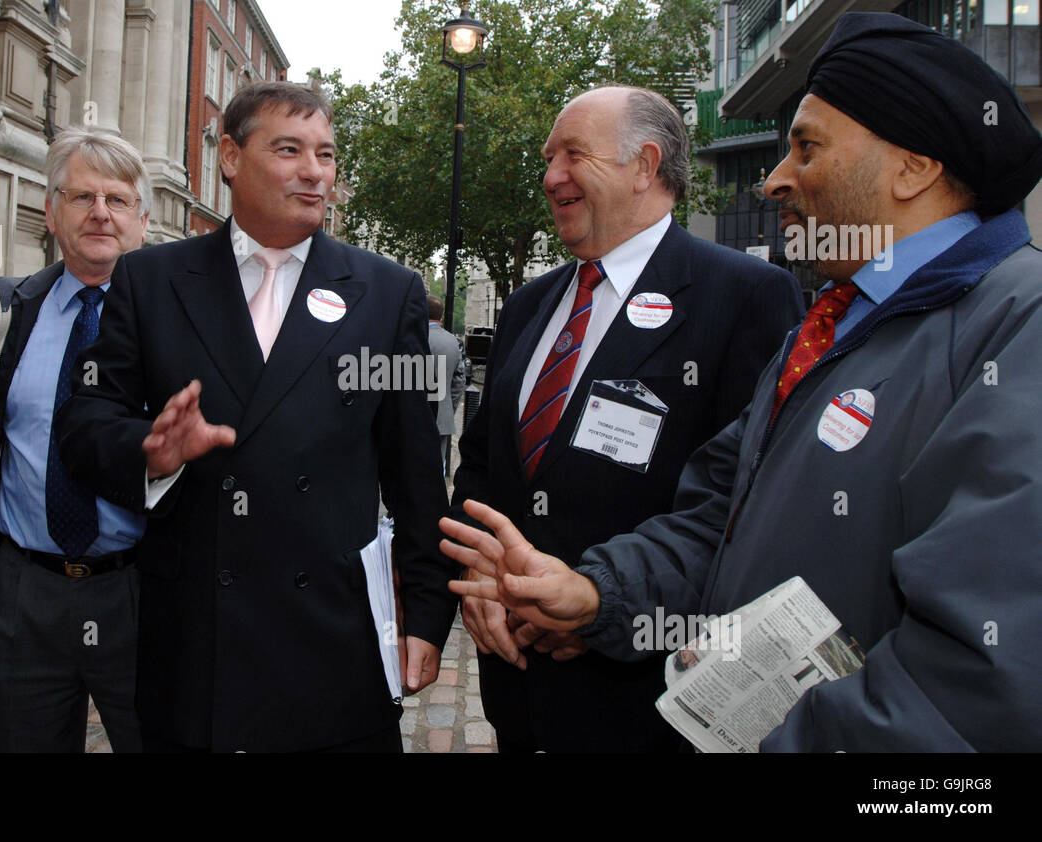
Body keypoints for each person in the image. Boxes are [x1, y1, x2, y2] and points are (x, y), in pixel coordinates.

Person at [444, 12, 1042, 751]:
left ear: (912, 168)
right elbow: (719, 513)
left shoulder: (1019, 327)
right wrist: (598, 595)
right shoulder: (832, 329)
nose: (776, 179)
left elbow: (975, 683)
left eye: (806, 147)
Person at [55, 81, 457, 752]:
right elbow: (83, 421)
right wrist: (151, 450)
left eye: (326, 155)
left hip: (333, 632)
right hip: (198, 637)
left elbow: (415, 473)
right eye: (290, 149)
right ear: (232, 157)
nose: (314, 171)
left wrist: (426, 613)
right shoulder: (150, 280)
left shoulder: (388, 292)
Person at [451, 85, 802, 753]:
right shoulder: (528, 306)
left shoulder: (747, 296)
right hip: (518, 691)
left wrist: (599, 606)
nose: (551, 176)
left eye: (572, 155)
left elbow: (749, 505)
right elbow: (481, 465)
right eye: (548, 158)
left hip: (642, 701)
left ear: (645, 165)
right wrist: (481, 582)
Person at [0, 129, 149, 752]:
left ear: (142, 218)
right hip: (26, 594)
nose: (100, 213)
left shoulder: (174, 323)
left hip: (139, 592)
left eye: (117, 199)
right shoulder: (6, 317)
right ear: (52, 211)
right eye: (82, 196)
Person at [426, 294, 466, 475]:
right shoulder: (454, 342)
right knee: (436, 470)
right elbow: (459, 381)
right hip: (442, 416)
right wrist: (448, 406)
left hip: (410, 418)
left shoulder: (412, 338)